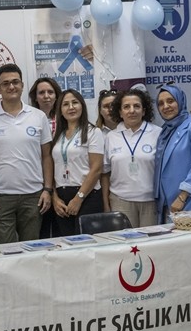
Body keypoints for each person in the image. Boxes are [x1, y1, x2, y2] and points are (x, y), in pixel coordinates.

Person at [0, 64, 54, 244]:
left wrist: (47, 190)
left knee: (31, 249)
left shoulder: (38, 116)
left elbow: (47, 156)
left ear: (22, 85)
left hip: (33, 196)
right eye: (6, 83)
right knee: (5, 252)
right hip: (0, 198)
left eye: (15, 82)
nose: (11, 87)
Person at [154, 84, 191, 222]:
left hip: (189, 202)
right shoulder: (166, 131)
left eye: (170, 101)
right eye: (161, 103)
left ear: (180, 101)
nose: (166, 106)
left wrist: (182, 197)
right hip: (168, 203)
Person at [51, 89, 105, 235]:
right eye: (65, 104)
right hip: (61, 199)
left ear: (82, 106)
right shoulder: (57, 136)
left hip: (87, 196)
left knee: (86, 247)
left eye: (75, 102)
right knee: (65, 245)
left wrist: (78, 198)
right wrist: (54, 198)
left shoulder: (93, 132)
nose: (71, 107)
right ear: (60, 110)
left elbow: (96, 169)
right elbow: (52, 168)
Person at [104, 87, 161, 228]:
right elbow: (104, 172)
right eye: (126, 107)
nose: (132, 110)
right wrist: (106, 203)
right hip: (120, 200)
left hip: (151, 201)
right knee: (126, 247)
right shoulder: (111, 137)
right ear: (120, 112)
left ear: (144, 110)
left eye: (137, 106)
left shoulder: (158, 133)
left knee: (150, 244)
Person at [31, 77, 62, 236]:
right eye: (41, 92)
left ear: (57, 95)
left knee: (60, 232)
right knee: (40, 232)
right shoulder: (29, 119)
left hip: (62, 182)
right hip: (37, 185)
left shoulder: (65, 119)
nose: (46, 96)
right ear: (35, 97)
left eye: (50, 92)